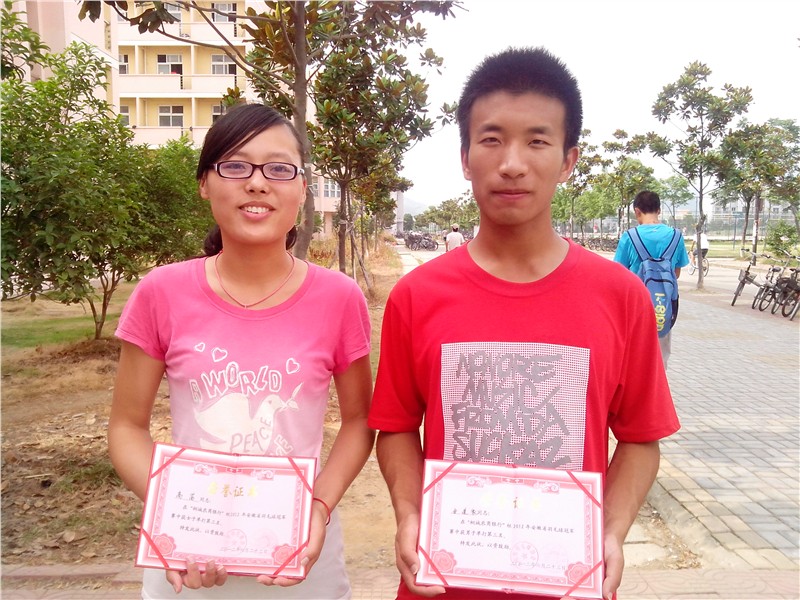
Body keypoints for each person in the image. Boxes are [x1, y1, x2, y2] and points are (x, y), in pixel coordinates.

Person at [367, 47, 680, 600]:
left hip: (569, 581)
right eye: (491, 139)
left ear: (568, 159)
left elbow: (640, 439)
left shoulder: (620, 296)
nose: (512, 163)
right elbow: (395, 427)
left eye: (537, 141)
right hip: (443, 582)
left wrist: (611, 531)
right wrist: (410, 512)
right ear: (465, 158)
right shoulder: (417, 296)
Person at [110, 103, 374, 599]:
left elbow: (360, 421)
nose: (257, 183)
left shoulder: (339, 298)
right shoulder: (161, 292)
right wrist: (171, 511)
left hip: (300, 558)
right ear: (204, 183)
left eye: (279, 169)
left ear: (302, 188)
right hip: (188, 559)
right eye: (235, 166)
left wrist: (318, 508)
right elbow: (126, 426)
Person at [613, 191, 689, 368]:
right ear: (659, 210)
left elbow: (619, 274)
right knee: (660, 359)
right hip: (664, 305)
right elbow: (676, 273)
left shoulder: (629, 237)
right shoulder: (676, 236)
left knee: (633, 358)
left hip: (635, 306)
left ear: (637, 211)